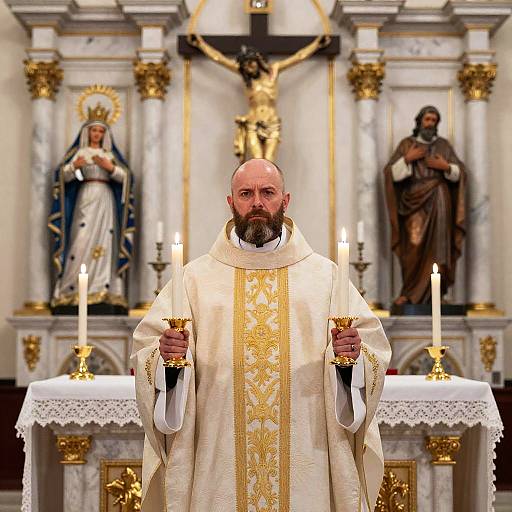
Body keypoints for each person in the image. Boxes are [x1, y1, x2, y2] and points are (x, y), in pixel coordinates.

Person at [131, 159, 391, 511]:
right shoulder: (193, 280)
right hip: (218, 456)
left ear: (285, 201)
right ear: (231, 202)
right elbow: (151, 352)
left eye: (267, 193)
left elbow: (368, 350)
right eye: (246, 193)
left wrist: (350, 361)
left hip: (306, 454)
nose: (257, 202)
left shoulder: (324, 277)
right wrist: (170, 361)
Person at [187, 33, 330, 162]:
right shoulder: (246, 77)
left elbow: (298, 57)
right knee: (257, 162)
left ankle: (270, 191)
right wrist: (200, 44)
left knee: (269, 162)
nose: (249, 68)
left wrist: (316, 44)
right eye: (246, 67)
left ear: (257, 60)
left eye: (251, 63)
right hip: (253, 123)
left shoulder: (273, 71)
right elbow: (220, 59)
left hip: (272, 122)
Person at [48, 103, 135, 313]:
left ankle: (104, 289)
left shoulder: (110, 155)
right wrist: (74, 167)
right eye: (94, 130)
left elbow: (126, 178)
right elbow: (62, 177)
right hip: (84, 198)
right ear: (87, 133)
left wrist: (110, 168)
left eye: (100, 131)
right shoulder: (80, 153)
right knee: (80, 240)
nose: (97, 134)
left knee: (105, 243)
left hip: (105, 201)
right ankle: (71, 290)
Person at [384, 105, 466, 305]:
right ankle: (410, 291)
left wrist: (445, 167)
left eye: (434, 120)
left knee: (440, 248)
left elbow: (461, 172)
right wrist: (407, 159)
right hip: (413, 203)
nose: (431, 124)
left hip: (439, 201)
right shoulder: (407, 145)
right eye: (428, 119)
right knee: (412, 246)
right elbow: (390, 174)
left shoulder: (443, 146)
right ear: (420, 121)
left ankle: (438, 295)